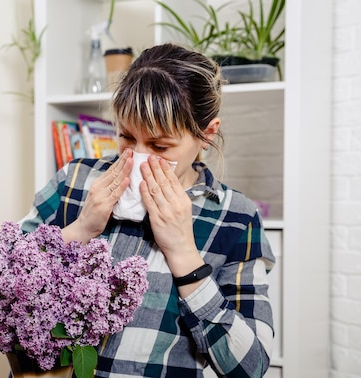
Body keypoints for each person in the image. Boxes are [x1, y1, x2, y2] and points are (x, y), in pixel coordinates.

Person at [19, 43, 276, 377]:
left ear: (207, 134)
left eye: (159, 146)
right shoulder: (76, 182)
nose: (138, 157)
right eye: (126, 137)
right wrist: (80, 230)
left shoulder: (236, 218)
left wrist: (184, 254)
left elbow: (251, 367)